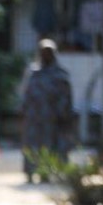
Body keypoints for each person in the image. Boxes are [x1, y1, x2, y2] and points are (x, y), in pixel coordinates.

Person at [20, 40, 74, 182]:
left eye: (49, 52)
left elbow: (65, 96)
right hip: (34, 117)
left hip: (52, 118)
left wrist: (62, 113)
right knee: (31, 146)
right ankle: (30, 172)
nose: (45, 55)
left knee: (50, 146)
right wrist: (24, 109)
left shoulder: (60, 74)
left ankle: (46, 174)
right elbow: (26, 92)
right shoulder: (33, 71)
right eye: (43, 52)